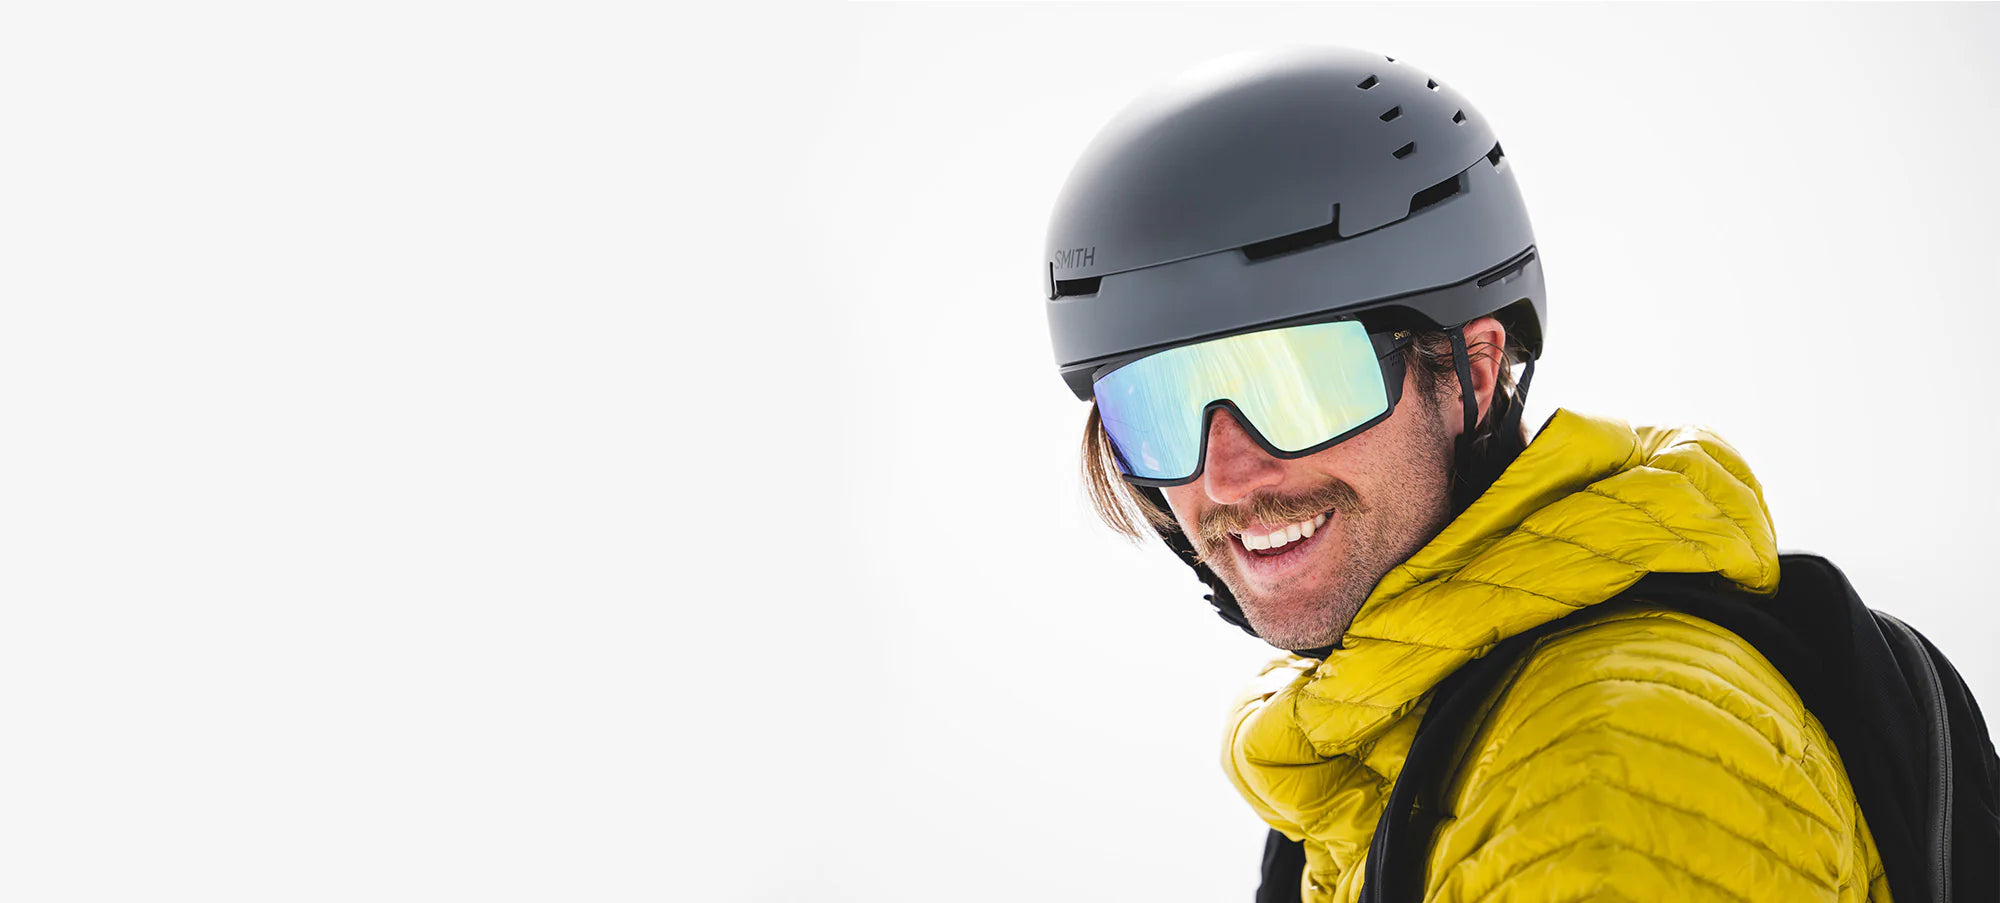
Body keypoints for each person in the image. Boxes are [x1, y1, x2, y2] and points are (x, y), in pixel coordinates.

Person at [1042, 47, 1889, 901]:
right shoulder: (1389, 751)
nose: (1225, 477)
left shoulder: (1594, 775)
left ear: (1472, 372)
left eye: (1299, 385)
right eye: (1156, 406)